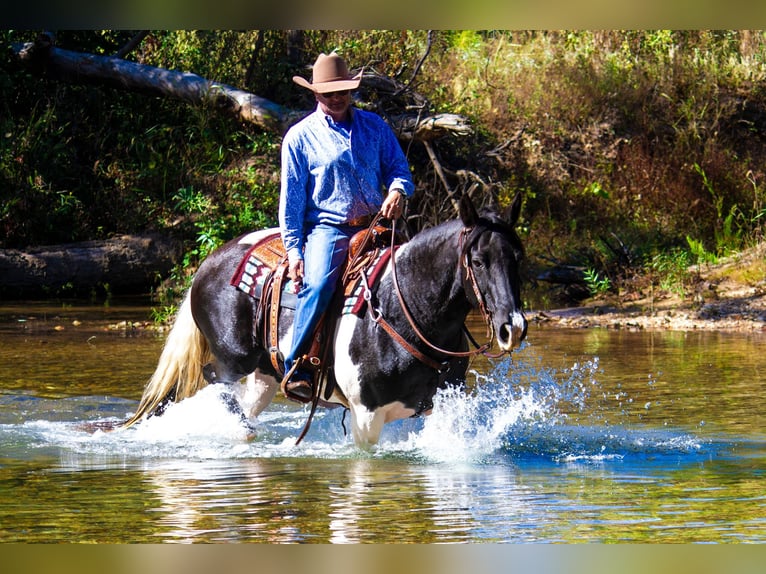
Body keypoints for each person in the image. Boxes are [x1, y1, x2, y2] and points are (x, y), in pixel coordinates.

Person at [278, 51, 414, 400]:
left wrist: (398, 190)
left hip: (378, 225)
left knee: (417, 279)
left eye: (343, 92)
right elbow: (291, 203)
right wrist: (295, 250)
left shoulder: (375, 126)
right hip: (329, 228)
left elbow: (398, 168)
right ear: (315, 94)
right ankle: (297, 364)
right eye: (329, 93)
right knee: (321, 284)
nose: (337, 98)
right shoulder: (300, 137)